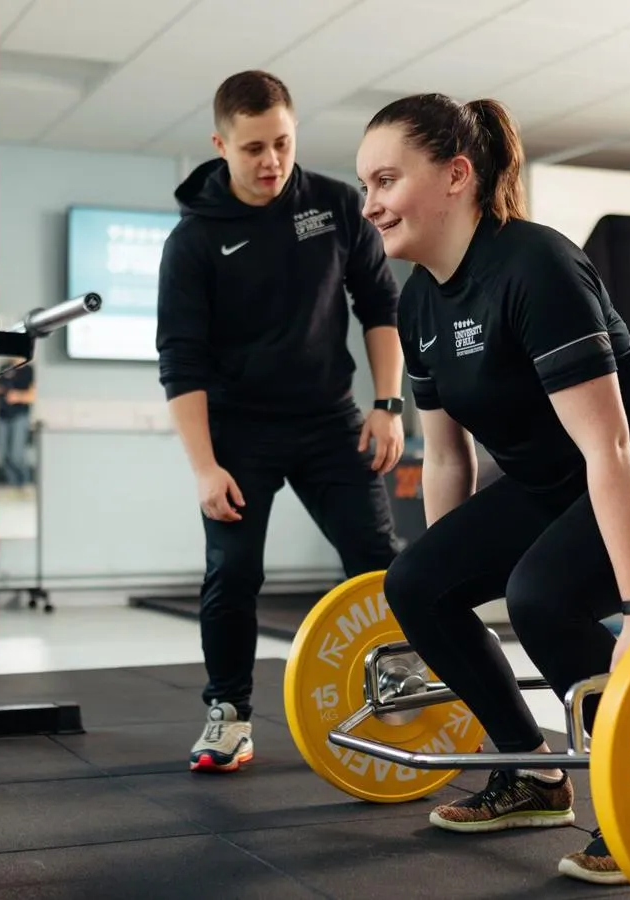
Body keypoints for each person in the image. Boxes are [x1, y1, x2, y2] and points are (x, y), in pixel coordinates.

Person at [353, 93, 630, 885]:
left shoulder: (536, 267)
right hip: (559, 479)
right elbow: (447, 460)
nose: (370, 204)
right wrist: (452, 582)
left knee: (544, 597)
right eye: (365, 185)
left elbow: (609, 445)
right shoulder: (420, 301)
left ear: (456, 176)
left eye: (386, 181)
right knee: (416, 582)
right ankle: (532, 774)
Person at [157, 70, 408, 773]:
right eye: (253, 148)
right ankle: (228, 715)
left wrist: (389, 405)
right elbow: (181, 361)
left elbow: (380, 306)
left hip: (329, 421)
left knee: (379, 558)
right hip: (238, 433)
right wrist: (205, 467)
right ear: (221, 146)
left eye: (283, 143)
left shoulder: (334, 206)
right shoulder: (194, 240)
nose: (272, 161)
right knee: (233, 572)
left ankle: (403, 686)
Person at [0, 361, 35, 489]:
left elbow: (32, 395)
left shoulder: (28, 371)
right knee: (3, 455)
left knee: (16, 455)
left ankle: (24, 483)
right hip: (2, 416)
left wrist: (17, 396)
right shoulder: (5, 367)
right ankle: (12, 483)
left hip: (19, 416)